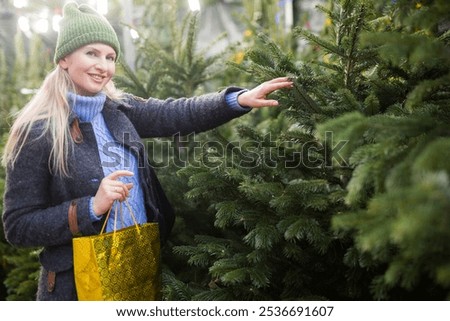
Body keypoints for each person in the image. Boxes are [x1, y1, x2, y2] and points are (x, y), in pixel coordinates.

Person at [1, 2, 293, 301]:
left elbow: (177, 113)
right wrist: (90, 207)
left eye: (110, 57)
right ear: (63, 58)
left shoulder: (118, 110)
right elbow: (18, 226)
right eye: (92, 53)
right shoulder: (37, 132)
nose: (103, 66)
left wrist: (238, 100)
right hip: (76, 288)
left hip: (136, 265)